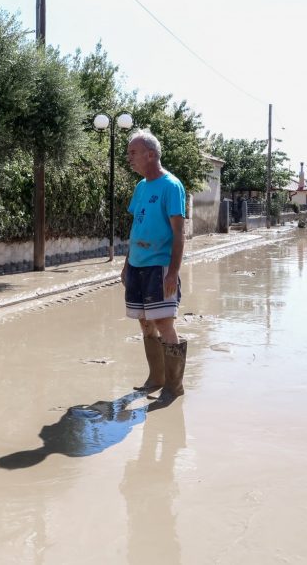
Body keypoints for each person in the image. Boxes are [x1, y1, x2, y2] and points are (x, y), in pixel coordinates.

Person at [121, 129, 188, 407]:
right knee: (145, 322)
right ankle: (156, 378)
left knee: (163, 323)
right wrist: (126, 264)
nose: (129, 158)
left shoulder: (171, 186)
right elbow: (136, 227)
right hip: (137, 266)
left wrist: (172, 272)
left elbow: (179, 233)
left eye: (133, 153)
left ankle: (174, 387)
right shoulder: (141, 187)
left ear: (151, 154)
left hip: (159, 267)